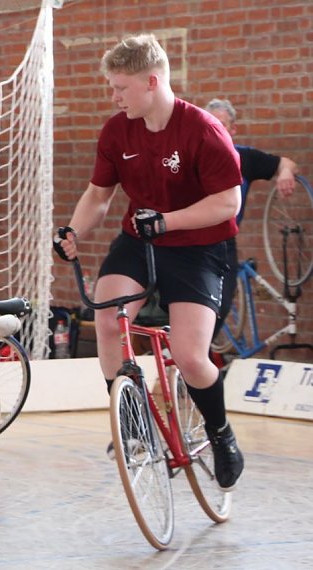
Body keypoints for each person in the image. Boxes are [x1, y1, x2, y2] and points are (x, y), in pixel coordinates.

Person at [53, 34, 244, 490]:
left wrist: (170, 220)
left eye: (120, 87)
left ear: (151, 82)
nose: (113, 96)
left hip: (199, 246)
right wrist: (74, 231)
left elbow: (227, 203)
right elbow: (99, 196)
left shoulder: (202, 130)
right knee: (105, 316)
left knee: (190, 355)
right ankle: (134, 418)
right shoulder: (117, 130)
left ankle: (220, 433)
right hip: (140, 240)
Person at [204, 98, 298, 336]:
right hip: (189, 242)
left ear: (232, 130)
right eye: (212, 123)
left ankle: (195, 360)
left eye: (223, 125)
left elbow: (286, 163)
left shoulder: (243, 157)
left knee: (220, 306)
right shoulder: (192, 156)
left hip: (223, 243)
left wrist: (285, 172)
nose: (217, 129)